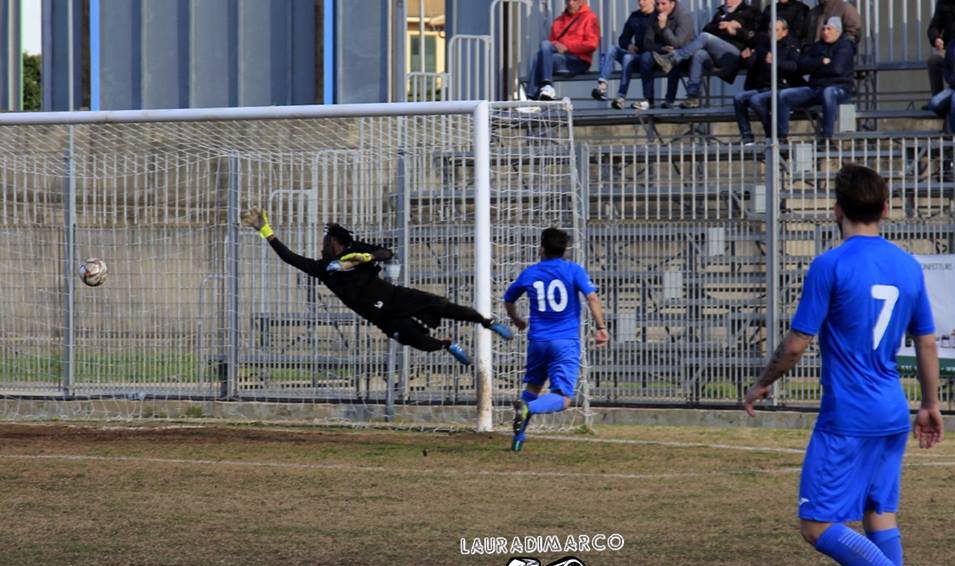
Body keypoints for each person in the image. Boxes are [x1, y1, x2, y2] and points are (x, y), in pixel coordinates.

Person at [744, 164, 944, 566]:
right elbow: (926, 341)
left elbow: (797, 342)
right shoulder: (908, 265)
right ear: (886, 209)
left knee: (816, 526)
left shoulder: (830, 264)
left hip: (849, 415)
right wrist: (930, 404)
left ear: (837, 209)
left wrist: (763, 381)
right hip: (892, 410)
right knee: (878, 512)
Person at [240, 208, 514, 366]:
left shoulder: (356, 250)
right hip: (381, 316)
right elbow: (289, 258)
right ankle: (446, 345)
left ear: (335, 242)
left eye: (325, 240)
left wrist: (367, 257)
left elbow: (387, 253)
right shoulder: (324, 269)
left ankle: (487, 322)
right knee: (414, 339)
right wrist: (265, 230)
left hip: (395, 297)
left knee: (443, 307)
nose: (322, 245)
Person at [505, 228, 609, 452]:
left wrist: (517, 320)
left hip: (538, 342)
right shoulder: (574, 270)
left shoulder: (530, 273)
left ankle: (517, 440)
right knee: (562, 398)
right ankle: (528, 408)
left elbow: (508, 299)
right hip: (564, 342)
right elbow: (592, 297)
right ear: (565, 250)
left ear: (541, 248)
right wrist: (601, 327)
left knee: (533, 386)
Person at [653, 0, 760, 108]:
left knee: (705, 37)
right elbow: (707, 29)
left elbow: (755, 36)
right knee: (699, 54)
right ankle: (692, 96)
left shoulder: (750, 11)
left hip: (735, 55)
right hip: (716, 54)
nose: (728, 1)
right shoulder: (721, 12)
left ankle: (673, 59)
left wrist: (737, 29)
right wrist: (720, 25)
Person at [776, 17, 855, 142]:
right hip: (816, 88)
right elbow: (801, 65)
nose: (825, 32)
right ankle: (781, 136)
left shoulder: (844, 46)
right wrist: (820, 62)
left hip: (840, 88)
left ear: (838, 31)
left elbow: (837, 69)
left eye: (829, 29)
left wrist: (814, 67)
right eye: (823, 29)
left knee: (828, 92)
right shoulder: (817, 46)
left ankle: (827, 136)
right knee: (783, 95)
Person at [735, 18, 804, 145]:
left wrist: (776, 62)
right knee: (738, 98)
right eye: (770, 30)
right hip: (762, 86)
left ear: (784, 32)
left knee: (756, 100)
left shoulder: (791, 45)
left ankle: (771, 134)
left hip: (781, 87)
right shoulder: (763, 45)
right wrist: (746, 58)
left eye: (776, 30)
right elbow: (752, 65)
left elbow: (795, 66)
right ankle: (747, 136)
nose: (772, 33)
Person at [525, 0, 600, 101]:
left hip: (578, 61)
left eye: (574, 0)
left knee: (539, 57)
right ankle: (546, 87)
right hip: (558, 59)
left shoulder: (590, 18)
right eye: (568, 0)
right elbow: (550, 45)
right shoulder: (558, 21)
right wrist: (556, 44)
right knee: (543, 49)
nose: (570, 3)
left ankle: (532, 97)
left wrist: (567, 47)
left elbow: (592, 44)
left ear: (581, 1)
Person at [591, 0, 657, 110]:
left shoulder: (658, 17)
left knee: (627, 57)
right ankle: (602, 86)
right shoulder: (635, 16)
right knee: (612, 48)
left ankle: (621, 97)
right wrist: (629, 45)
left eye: (644, 0)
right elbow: (623, 39)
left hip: (647, 58)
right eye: (639, 0)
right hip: (635, 54)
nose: (641, 3)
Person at [648, 0, 696, 109]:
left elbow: (678, 43)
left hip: (688, 57)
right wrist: (661, 48)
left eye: (663, 4)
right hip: (664, 54)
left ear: (672, 4)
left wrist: (664, 28)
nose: (660, 7)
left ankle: (669, 100)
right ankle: (649, 100)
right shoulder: (654, 15)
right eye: (657, 4)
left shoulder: (684, 16)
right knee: (645, 59)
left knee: (674, 61)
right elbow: (647, 42)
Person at [927, 0, 955, 99]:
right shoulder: (944, 2)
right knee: (934, 60)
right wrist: (936, 38)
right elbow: (934, 26)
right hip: (949, 49)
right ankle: (938, 99)